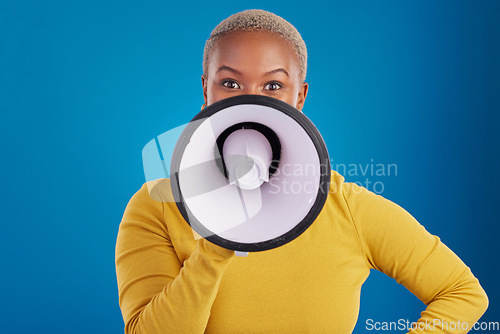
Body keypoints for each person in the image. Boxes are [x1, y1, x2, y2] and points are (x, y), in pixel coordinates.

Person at [115, 9, 488, 333]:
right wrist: (214, 251)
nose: (250, 100)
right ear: (206, 91)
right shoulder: (157, 206)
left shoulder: (348, 209)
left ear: (300, 97)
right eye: (230, 83)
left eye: (273, 85)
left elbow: (462, 292)